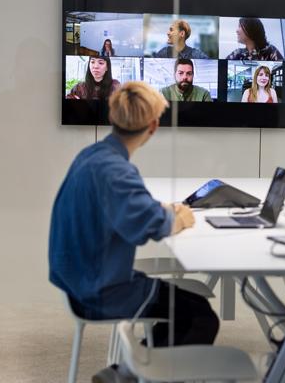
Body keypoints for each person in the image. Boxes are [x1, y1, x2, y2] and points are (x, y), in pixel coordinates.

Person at [49, 81, 220, 379]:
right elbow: (153, 227)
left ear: (112, 117)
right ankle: (131, 376)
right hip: (100, 291)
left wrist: (164, 211)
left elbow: (130, 211)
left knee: (186, 307)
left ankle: (126, 372)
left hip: (77, 279)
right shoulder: (117, 172)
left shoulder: (92, 156)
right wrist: (180, 217)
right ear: (153, 126)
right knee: (200, 316)